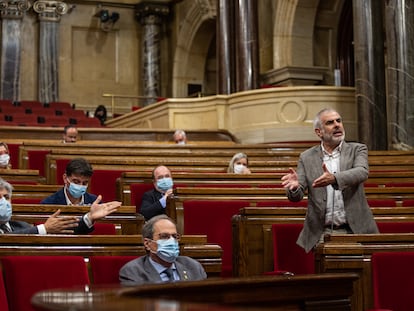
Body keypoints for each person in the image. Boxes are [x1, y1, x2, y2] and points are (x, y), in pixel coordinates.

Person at [281, 108, 378, 253]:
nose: (337, 125)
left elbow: (362, 172)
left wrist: (334, 178)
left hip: (356, 230)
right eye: (330, 123)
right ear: (319, 132)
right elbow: (296, 196)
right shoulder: (306, 157)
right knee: (325, 275)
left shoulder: (357, 149)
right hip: (321, 233)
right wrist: (294, 188)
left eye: (339, 121)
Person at [119, 214, 207, 286]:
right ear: (147, 244)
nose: (172, 241)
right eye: (164, 237)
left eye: (175, 236)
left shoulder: (193, 267)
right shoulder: (133, 271)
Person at [40, 158, 121, 234]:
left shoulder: (95, 203)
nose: (80, 186)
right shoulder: (48, 203)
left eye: (85, 183)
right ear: (65, 178)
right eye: (76, 181)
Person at [0, 177, 80, 234]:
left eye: (6, 197)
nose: (3, 201)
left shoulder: (22, 226)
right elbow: (4, 240)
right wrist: (44, 228)